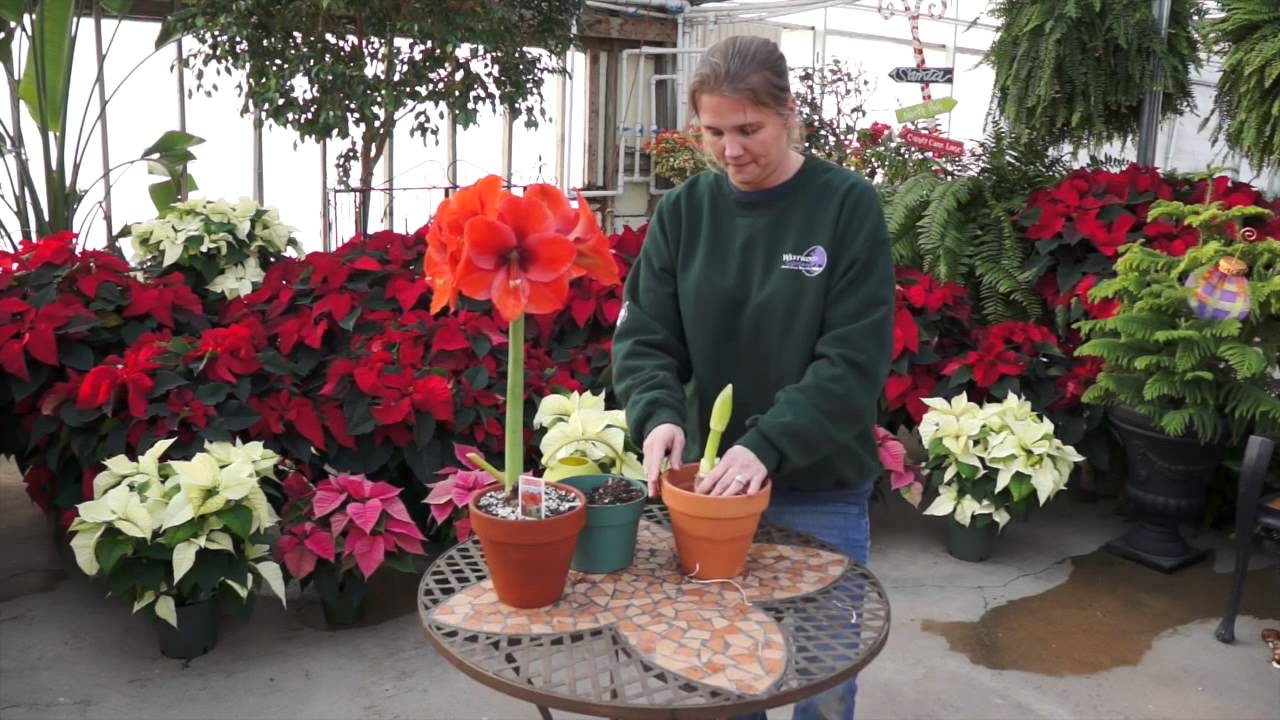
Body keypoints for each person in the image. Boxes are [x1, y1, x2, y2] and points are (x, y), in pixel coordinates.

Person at [610, 35, 894, 720]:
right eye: (713, 131)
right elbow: (645, 334)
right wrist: (660, 415)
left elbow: (852, 362)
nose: (731, 150)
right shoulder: (685, 213)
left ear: (790, 114)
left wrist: (765, 446)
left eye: (749, 130)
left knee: (823, 680)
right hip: (708, 496)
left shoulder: (846, 206)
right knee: (727, 676)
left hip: (820, 488)